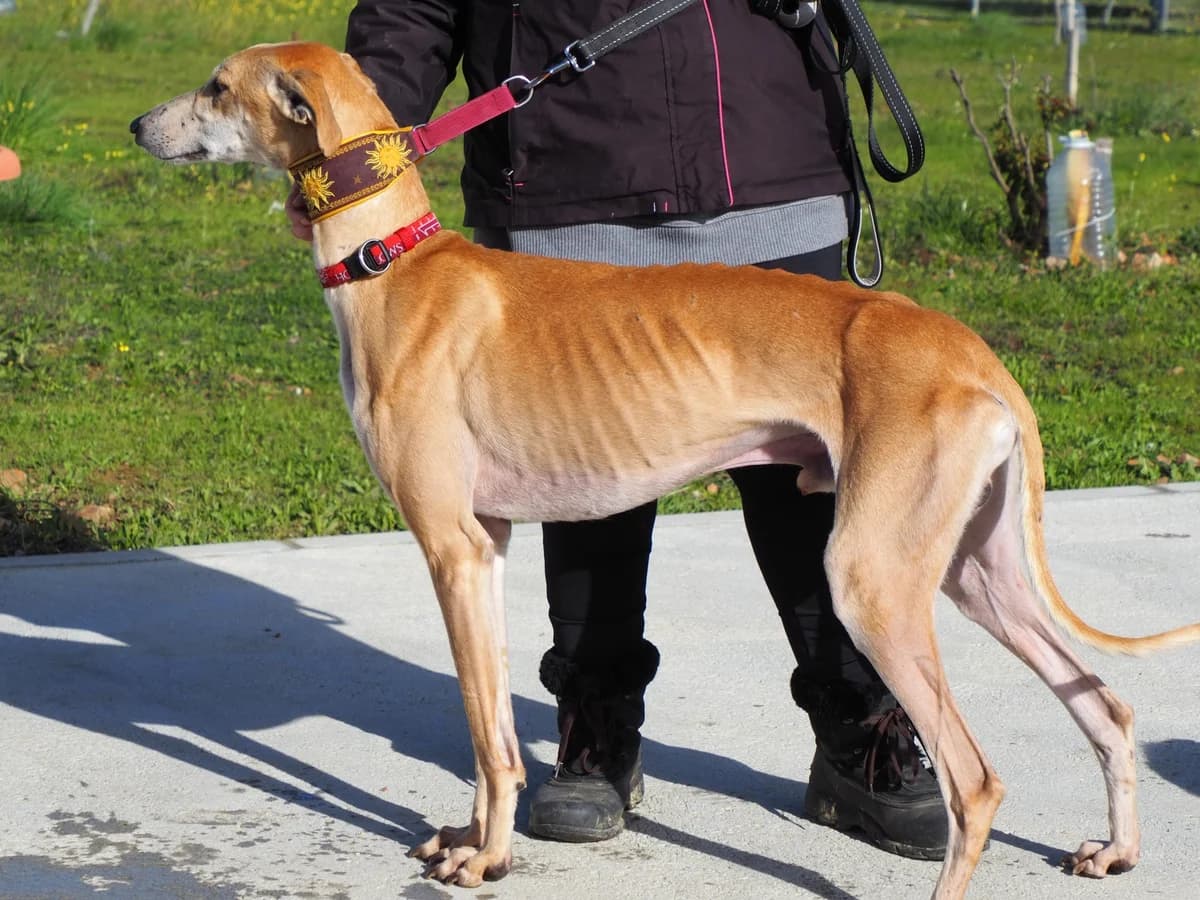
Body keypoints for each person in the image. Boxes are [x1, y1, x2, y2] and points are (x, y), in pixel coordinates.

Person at [290, 0, 947, 860]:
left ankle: (862, 729)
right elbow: (411, 9)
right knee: (572, 474)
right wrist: (356, 152)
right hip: (569, 169)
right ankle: (594, 729)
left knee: (814, 495)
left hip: (767, 149)